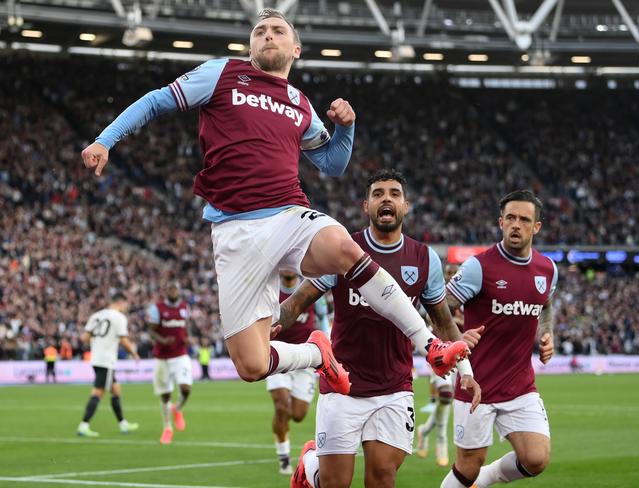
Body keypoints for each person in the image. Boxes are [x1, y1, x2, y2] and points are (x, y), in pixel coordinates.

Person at [80, 9, 468, 398]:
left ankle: (430, 346)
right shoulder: (222, 73)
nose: (268, 35)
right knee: (251, 364)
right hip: (234, 229)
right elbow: (155, 101)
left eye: (278, 31)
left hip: (287, 213)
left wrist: (345, 128)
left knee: (345, 248)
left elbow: (332, 164)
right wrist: (105, 140)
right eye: (260, 31)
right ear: (250, 46)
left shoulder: (299, 102)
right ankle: (317, 355)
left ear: (294, 48)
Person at [276, 169, 482, 488]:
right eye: (378, 193)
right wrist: (270, 325)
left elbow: (443, 322)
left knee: (383, 477)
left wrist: (465, 370)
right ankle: (312, 464)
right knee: (335, 484)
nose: (386, 198)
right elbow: (297, 301)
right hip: (342, 383)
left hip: (394, 387)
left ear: (406, 206)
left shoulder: (424, 258)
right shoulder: (343, 250)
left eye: (394, 193)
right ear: (366, 206)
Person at [440, 189, 557, 488]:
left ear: (536, 227)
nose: (516, 224)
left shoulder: (547, 269)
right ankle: (475, 479)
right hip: (477, 385)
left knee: (536, 458)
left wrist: (547, 333)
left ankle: (487, 479)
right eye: (511, 218)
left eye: (524, 219)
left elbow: (545, 304)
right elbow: (438, 308)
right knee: (467, 468)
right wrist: (456, 338)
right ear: (500, 222)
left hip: (520, 386)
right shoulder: (479, 267)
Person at [268, 270, 330, 475]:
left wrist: (328, 345)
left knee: (298, 414)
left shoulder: (310, 289)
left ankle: (300, 450)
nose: (287, 269)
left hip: (305, 357)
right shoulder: (272, 291)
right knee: (281, 406)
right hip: (277, 354)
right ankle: (283, 458)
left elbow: (321, 318)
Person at [416, 263, 464, 465]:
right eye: (449, 273)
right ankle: (442, 439)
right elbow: (431, 318)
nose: (452, 276)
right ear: (445, 275)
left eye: (455, 273)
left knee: (448, 398)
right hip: (440, 352)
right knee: (446, 394)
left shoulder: (465, 299)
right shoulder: (438, 296)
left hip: (460, 354)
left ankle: (425, 430)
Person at [77, 292, 140, 437]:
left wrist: (98, 342)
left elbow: (84, 337)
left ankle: (123, 424)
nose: (126, 307)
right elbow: (123, 340)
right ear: (120, 302)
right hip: (106, 360)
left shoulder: (96, 315)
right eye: (126, 304)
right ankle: (83, 425)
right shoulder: (119, 318)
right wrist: (134, 354)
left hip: (96, 358)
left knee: (116, 390)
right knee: (98, 393)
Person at [146, 282, 193, 445]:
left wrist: (188, 338)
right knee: (165, 395)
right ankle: (167, 428)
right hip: (162, 357)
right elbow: (151, 329)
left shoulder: (184, 307)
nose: (173, 291)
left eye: (175, 289)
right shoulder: (157, 309)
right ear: (166, 292)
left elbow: (186, 326)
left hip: (181, 355)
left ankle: (177, 409)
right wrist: (162, 340)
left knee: (186, 389)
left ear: (179, 291)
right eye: (170, 289)